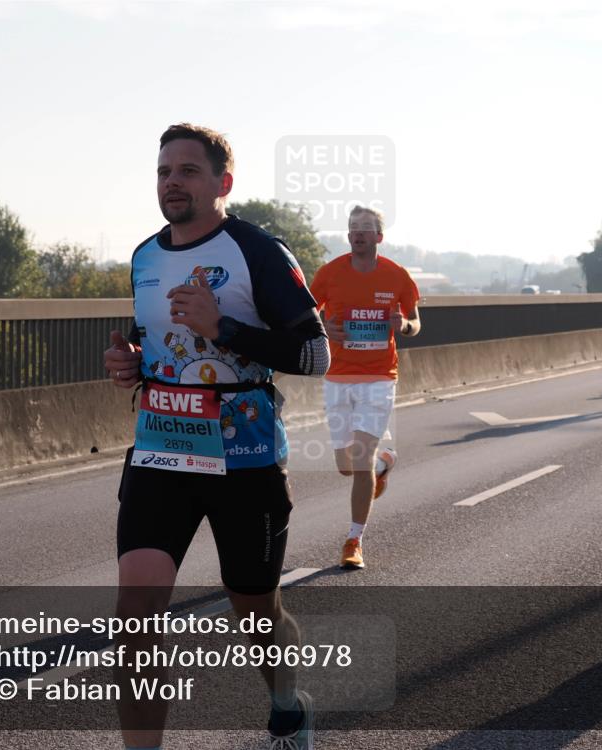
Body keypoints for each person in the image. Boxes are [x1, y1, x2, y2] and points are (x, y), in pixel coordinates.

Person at [104, 123, 329, 749]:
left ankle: (288, 703)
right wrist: (130, 362)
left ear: (222, 183)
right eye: (163, 172)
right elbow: (155, 339)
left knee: (254, 610)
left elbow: (314, 355)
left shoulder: (259, 251)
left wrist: (225, 326)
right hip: (161, 450)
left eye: (187, 171)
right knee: (135, 619)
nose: (172, 182)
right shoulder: (144, 257)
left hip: (245, 459)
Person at [310, 206, 421, 570]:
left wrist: (403, 324)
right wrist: (325, 329)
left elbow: (415, 323)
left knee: (359, 462)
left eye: (365, 229)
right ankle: (384, 464)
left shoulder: (397, 276)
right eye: (352, 228)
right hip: (338, 377)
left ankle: (354, 540)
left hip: (379, 377)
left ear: (379, 237)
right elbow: (307, 315)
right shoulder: (329, 274)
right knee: (346, 465)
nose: (357, 234)